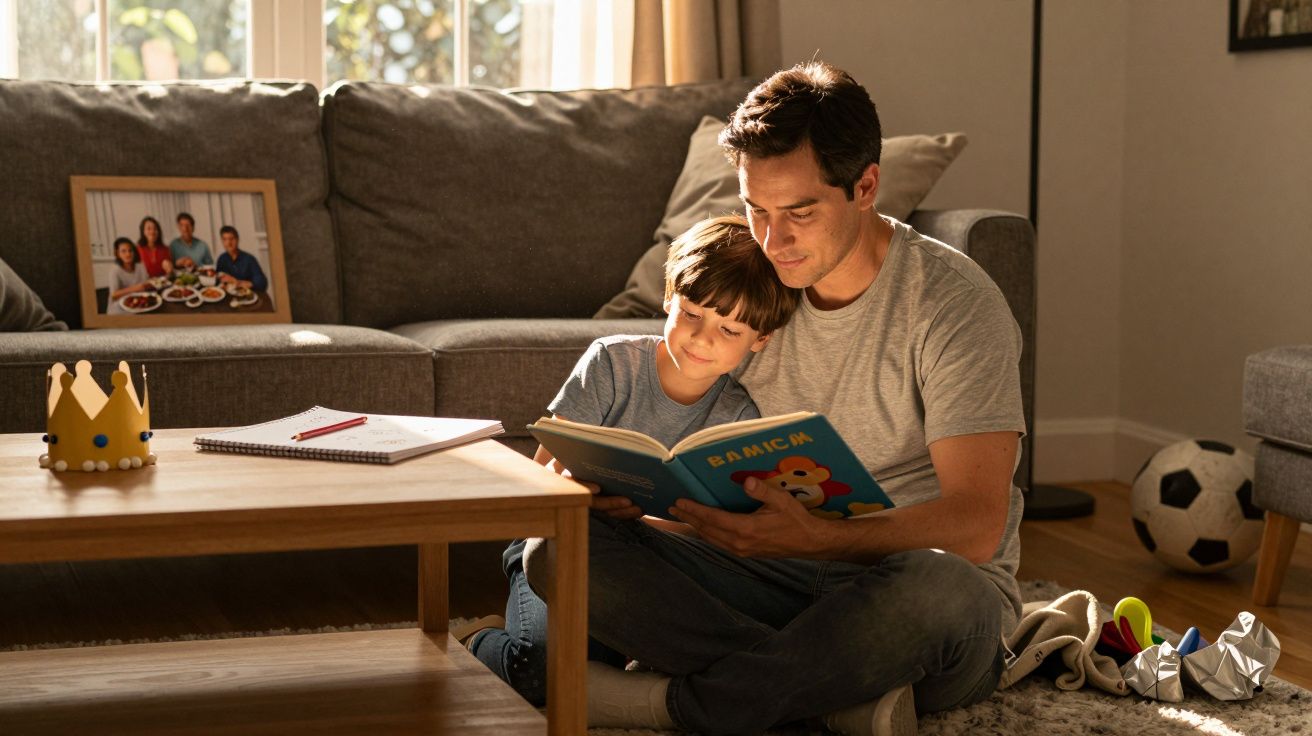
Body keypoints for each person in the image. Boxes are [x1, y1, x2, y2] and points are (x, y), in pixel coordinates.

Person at [555, 61, 1026, 736]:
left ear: (865, 186)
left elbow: (978, 526)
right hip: (767, 576)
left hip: (904, 593)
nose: (773, 241)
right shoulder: (759, 285)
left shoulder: (953, 304)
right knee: (560, 549)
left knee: (942, 591)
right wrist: (628, 498)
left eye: (800, 212)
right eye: (756, 209)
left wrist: (823, 538)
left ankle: (675, 706)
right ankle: (828, 697)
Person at [458, 215, 800, 708]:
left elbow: (715, 532)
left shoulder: (739, 413)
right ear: (668, 298)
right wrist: (571, 482)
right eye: (691, 314)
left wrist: (646, 522)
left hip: (651, 563)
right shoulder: (613, 363)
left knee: (608, 658)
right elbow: (540, 475)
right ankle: (480, 642)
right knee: (544, 676)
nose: (702, 339)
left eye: (729, 329)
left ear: (760, 339)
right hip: (559, 545)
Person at [215, 225, 269, 292]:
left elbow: (262, 283)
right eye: (225, 239)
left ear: (237, 239)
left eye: (231, 239)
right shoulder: (222, 259)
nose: (228, 243)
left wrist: (237, 282)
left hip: (248, 297)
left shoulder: (249, 259)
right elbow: (218, 281)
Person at [106, 237, 149, 314]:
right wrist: (135, 288)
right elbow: (114, 295)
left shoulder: (140, 265)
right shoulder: (114, 270)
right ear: (118, 254)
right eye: (123, 251)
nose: (128, 254)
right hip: (119, 309)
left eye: (130, 250)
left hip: (139, 304)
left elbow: (145, 284)